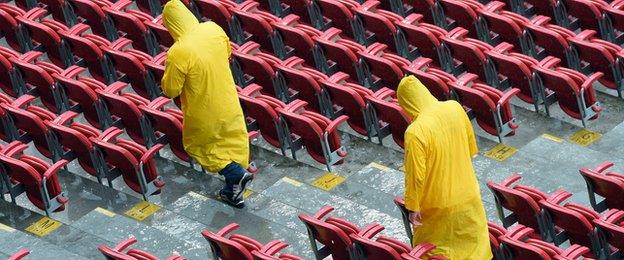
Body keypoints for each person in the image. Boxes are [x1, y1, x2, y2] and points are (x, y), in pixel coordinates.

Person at [161, 0, 253, 208]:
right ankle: (233, 191)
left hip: (203, 110)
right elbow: (228, 53)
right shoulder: (213, 29)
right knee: (234, 141)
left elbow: (171, 89)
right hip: (228, 100)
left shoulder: (179, 51)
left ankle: (235, 173)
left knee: (199, 146)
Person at [397, 75, 492, 259]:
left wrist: (413, 207)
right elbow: (471, 148)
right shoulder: (454, 108)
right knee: (475, 251)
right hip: (468, 196)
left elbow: (416, 175)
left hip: (437, 207)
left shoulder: (415, 132)